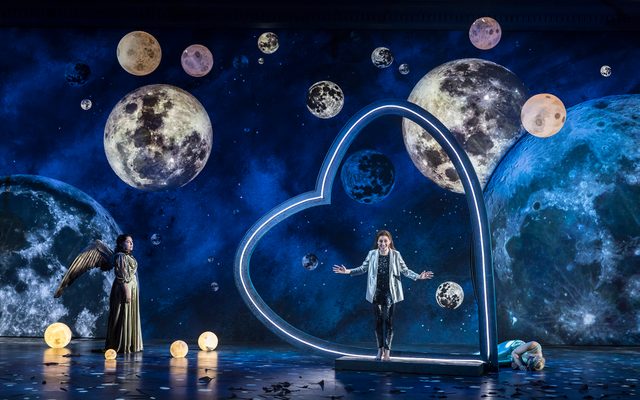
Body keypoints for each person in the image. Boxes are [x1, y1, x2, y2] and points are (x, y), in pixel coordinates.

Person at [333, 230, 434, 361]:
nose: (383, 243)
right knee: (378, 322)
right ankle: (379, 350)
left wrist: (418, 276)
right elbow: (363, 268)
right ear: (377, 242)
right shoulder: (372, 254)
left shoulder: (396, 255)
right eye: (380, 241)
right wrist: (347, 271)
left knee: (389, 323)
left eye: (385, 241)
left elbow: (405, 270)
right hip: (376, 292)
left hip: (390, 292)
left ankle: (387, 351)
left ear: (389, 242)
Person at [105, 234, 143, 353]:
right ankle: (121, 344)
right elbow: (121, 276)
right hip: (123, 288)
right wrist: (127, 291)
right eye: (128, 241)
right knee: (122, 313)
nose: (131, 244)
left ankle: (130, 344)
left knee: (129, 313)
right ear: (121, 243)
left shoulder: (129, 257)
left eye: (132, 242)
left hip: (131, 288)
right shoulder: (120, 256)